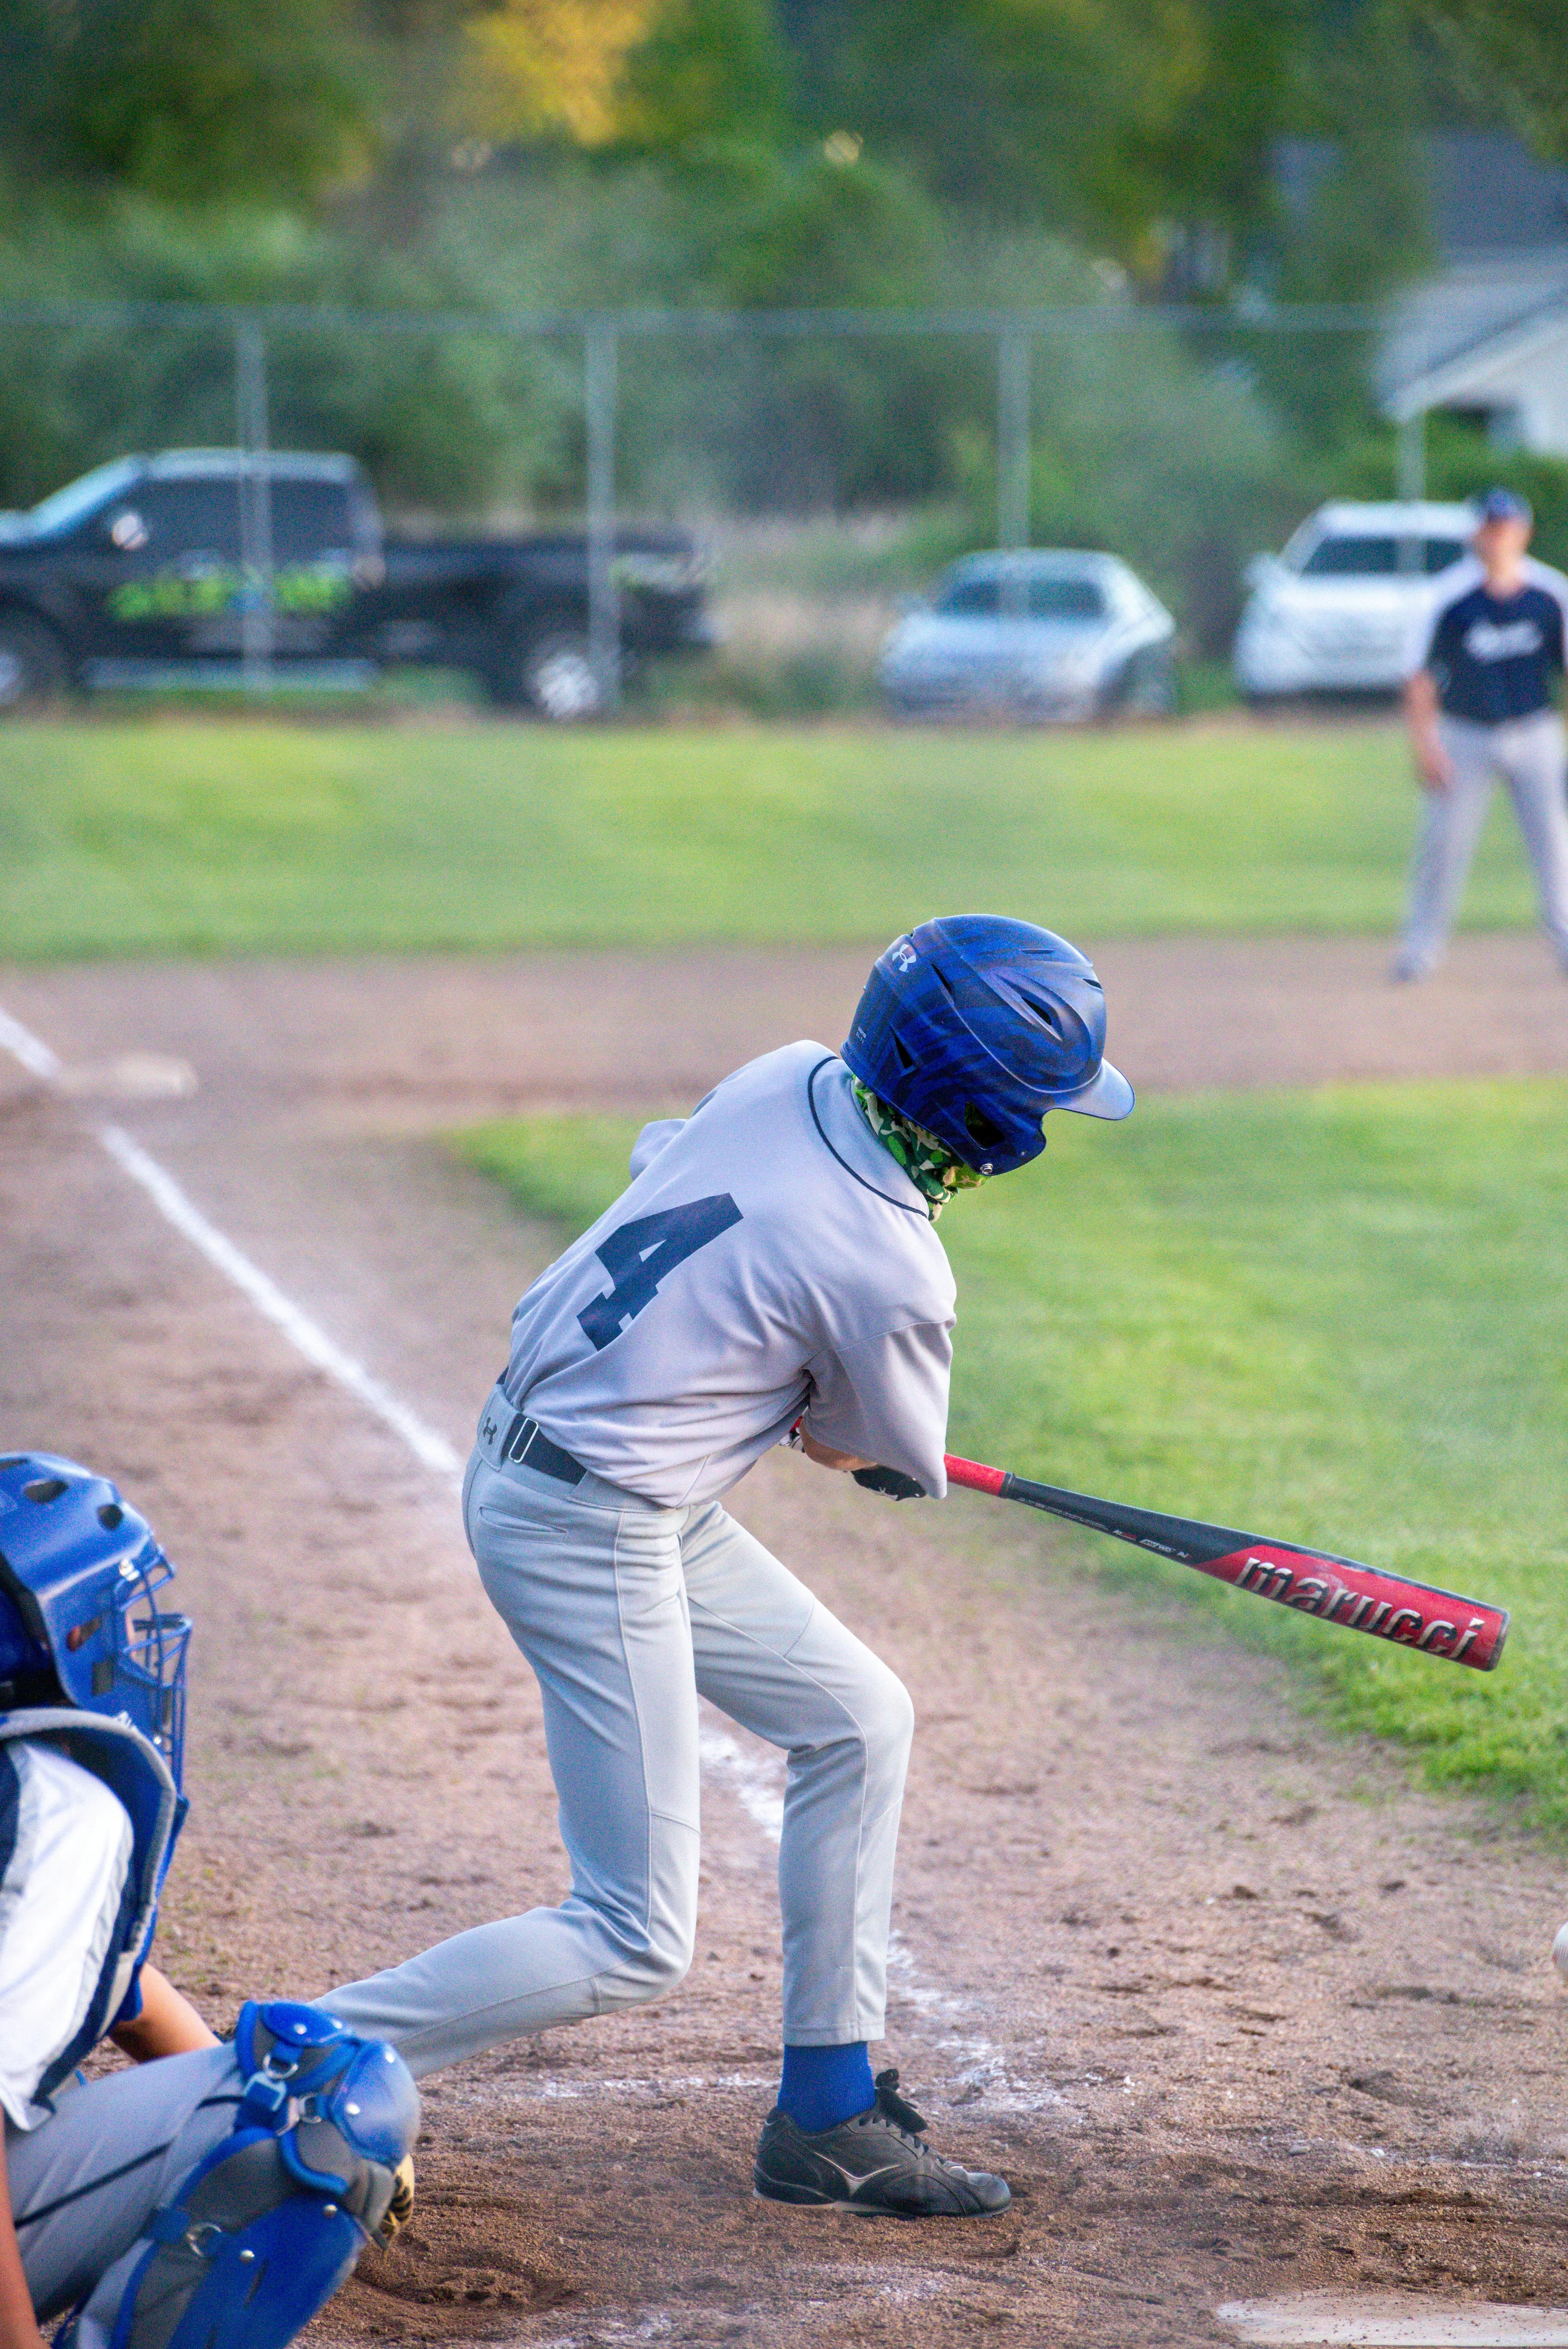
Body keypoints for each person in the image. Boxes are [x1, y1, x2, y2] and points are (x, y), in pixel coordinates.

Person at [322, 915, 1134, 2216]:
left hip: (591, 1473)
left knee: (856, 1718)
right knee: (631, 1936)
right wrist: (862, 1437)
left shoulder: (787, 1071)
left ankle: (826, 2115)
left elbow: (673, 1181)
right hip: (588, 1525)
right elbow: (859, 1454)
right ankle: (286, 2056)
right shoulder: (890, 1267)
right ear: (988, 1126)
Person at [1, 1453, 419, 2349]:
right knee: (329, 2099)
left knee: (61, 2062)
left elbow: (113, 1986)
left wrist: (234, 2096)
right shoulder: (50, 1804)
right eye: (110, 1614)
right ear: (62, 1631)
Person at [1394, 486, 1568, 982]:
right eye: (1490, 527)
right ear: (1475, 534)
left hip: (1535, 730)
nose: (1498, 538)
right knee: (1443, 846)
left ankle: (1565, 943)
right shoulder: (1450, 597)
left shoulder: (1551, 594)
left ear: (1524, 533)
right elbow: (1419, 677)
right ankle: (1420, 951)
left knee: (1556, 844)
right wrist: (1425, 745)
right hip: (1464, 732)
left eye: (1507, 527)